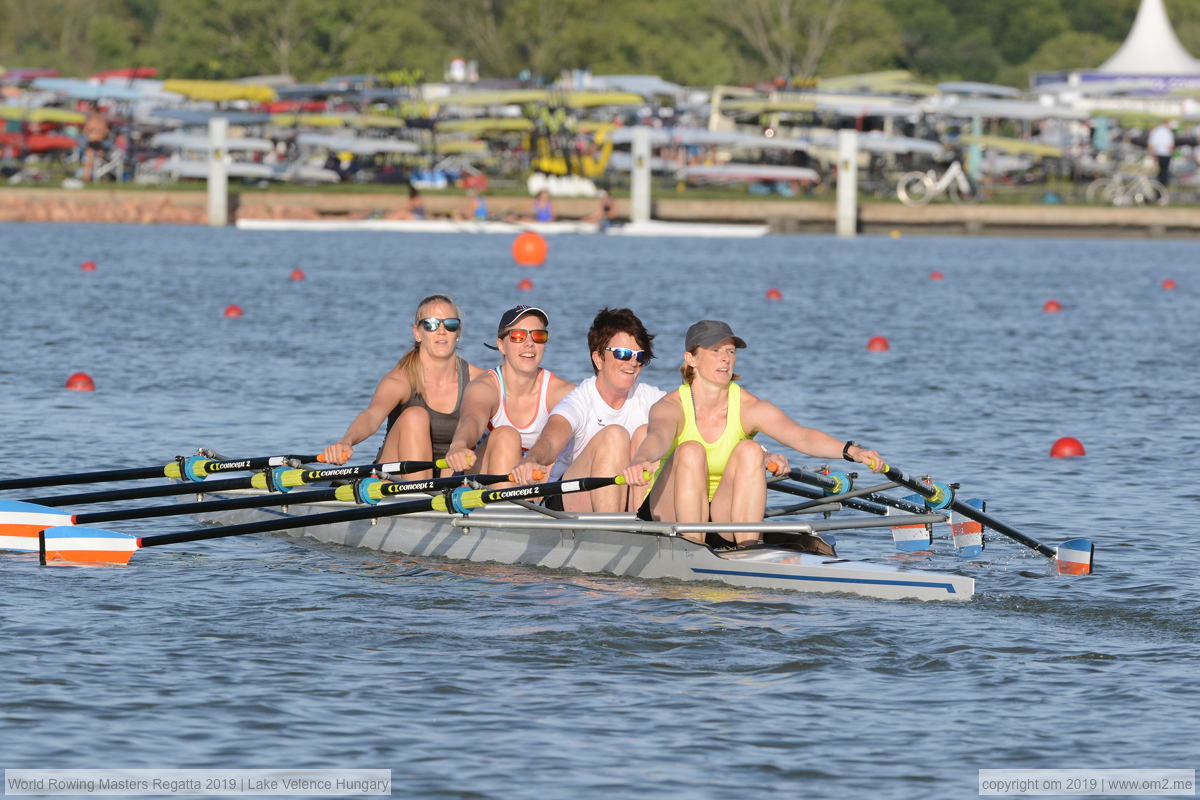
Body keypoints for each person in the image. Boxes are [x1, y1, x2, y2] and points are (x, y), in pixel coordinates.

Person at [622, 320, 884, 547]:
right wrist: (640, 460)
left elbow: (801, 436)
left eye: (730, 351)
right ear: (691, 359)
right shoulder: (671, 406)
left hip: (723, 515)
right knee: (691, 449)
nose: (726, 358)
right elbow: (658, 437)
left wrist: (852, 451)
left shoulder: (749, 407)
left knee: (750, 450)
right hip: (670, 514)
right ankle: (690, 547)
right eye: (715, 350)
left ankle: (749, 547)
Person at [511, 308, 665, 512]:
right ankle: (609, 534)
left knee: (649, 433)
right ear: (598, 358)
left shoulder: (650, 398)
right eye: (623, 354)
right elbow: (550, 439)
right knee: (614, 435)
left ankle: (641, 531)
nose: (633, 362)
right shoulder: (579, 400)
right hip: (564, 501)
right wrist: (532, 460)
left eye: (640, 356)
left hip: (625, 500)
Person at [321, 294, 484, 478]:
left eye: (450, 324)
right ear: (417, 333)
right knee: (415, 416)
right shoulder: (400, 380)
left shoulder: (480, 379)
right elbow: (371, 416)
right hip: (396, 472)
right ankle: (417, 496)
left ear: (458, 333)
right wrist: (346, 441)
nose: (441, 331)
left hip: (449, 472)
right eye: (430, 324)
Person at [444, 306, 574, 481]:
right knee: (506, 436)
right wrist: (459, 445)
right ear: (501, 345)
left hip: (535, 483)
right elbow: (472, 419)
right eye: (518, 336)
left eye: (538, 336)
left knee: (559, 454)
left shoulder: (563, 392)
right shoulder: (484, 387)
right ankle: (506, 507)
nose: (529, 343)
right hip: (480, 480)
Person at [82, 104, 110, 183]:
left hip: (98, 142)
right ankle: (86, 177)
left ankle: (100, 176)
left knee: (101, 160)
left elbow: (105, 132)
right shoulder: (93, 121)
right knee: (89, 161)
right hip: (92, 142)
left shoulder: (100, 121)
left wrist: (97, 131)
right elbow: (86, 131)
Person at [1147, 120, 1176, 186]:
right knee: (1163, 171)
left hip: (1161, 154)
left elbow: (1152, 144)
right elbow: (1153, 144)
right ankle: (1161, 186)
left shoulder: (1157, 131)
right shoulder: (1166, 132)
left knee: (1162, 171)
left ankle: (1160, 185)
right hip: (1163, 154)